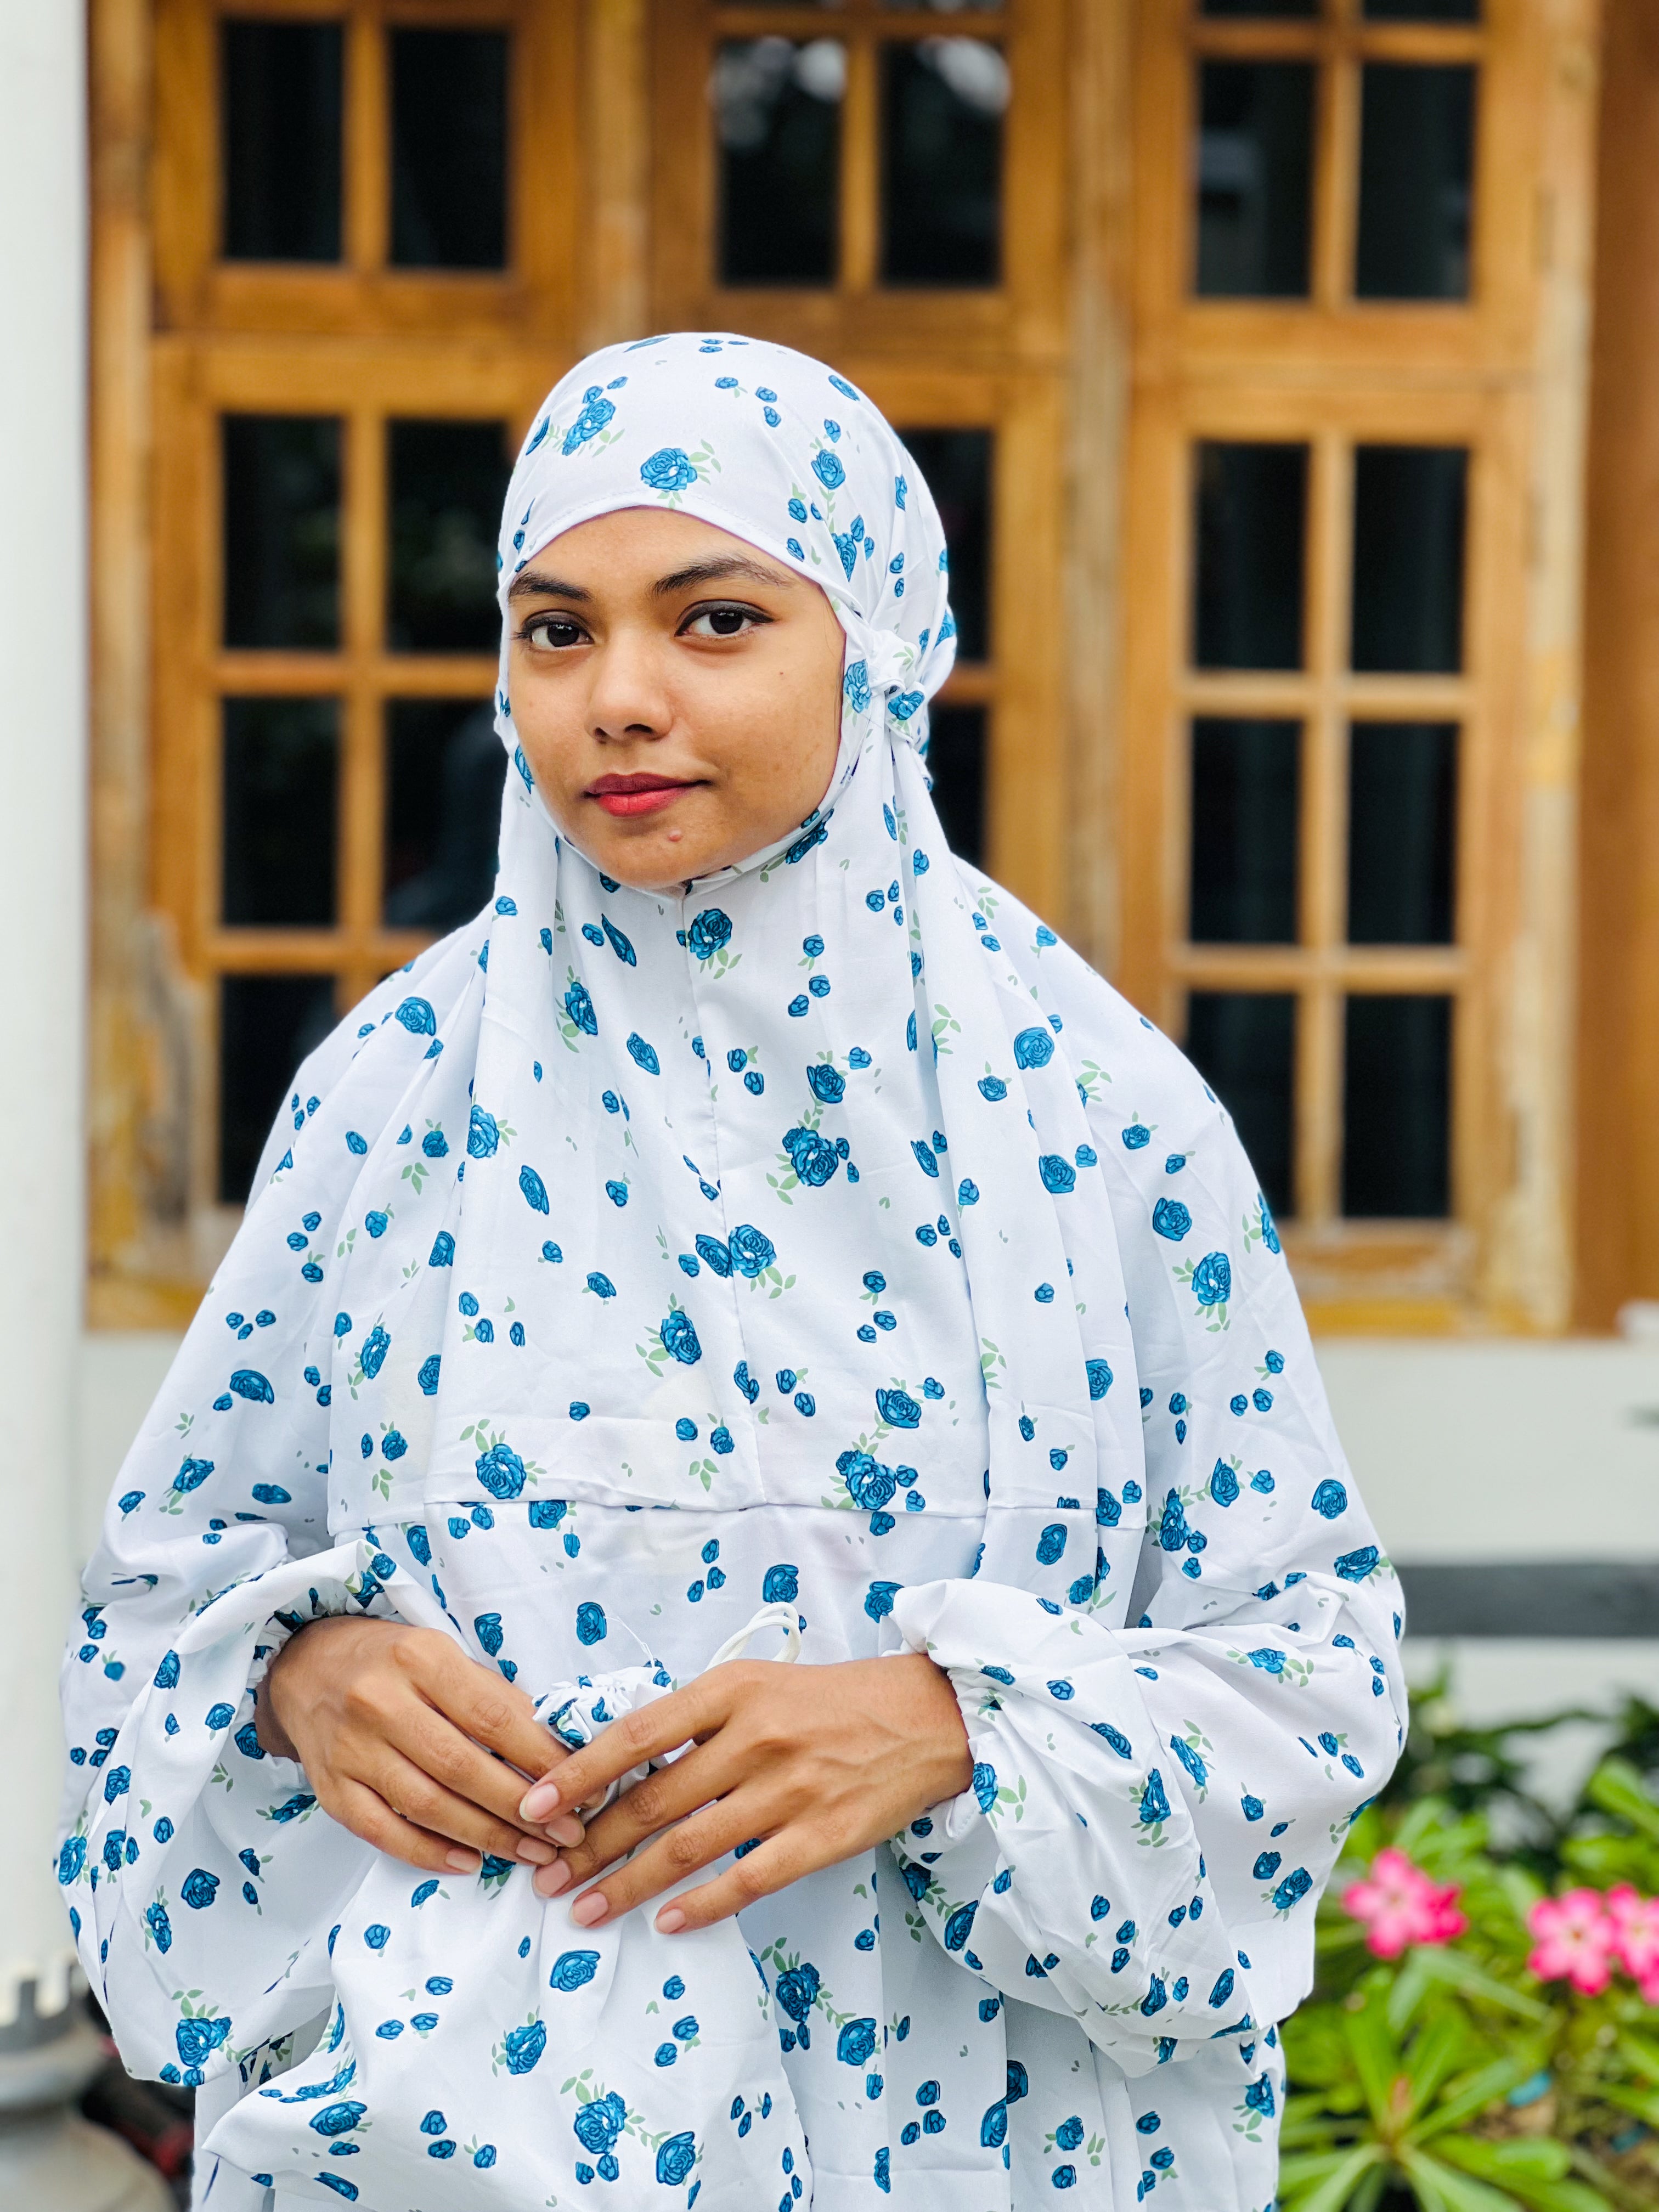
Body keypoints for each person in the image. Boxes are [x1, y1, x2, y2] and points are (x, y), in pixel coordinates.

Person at [60, 332, 1406, 2212]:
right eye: (555, 628)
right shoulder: (388, 1102)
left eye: (713, 621)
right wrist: (299, 1678)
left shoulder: (1103, 1120)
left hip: (984, 2149)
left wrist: (947, 1726)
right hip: (450, 2154)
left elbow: (1307, 1676)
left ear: (878, 643)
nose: (616, 696)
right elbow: (158, 1605)